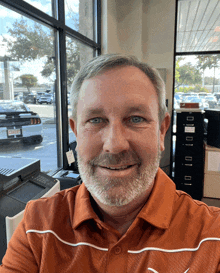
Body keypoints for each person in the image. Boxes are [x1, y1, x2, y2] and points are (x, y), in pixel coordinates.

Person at [1, 54, 220, 273]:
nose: (114, 145)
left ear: (162, 130)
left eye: (136, 119)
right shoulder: (37, 225)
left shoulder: (212, 237)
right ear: (76, 131)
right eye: (95, 120)